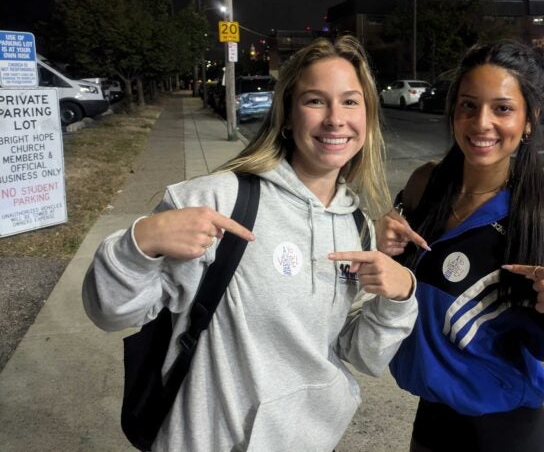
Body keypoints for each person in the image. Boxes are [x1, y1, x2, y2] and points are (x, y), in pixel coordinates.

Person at [82, 35, 417, 452]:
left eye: (350, 102)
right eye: (315, 101)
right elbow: (110, 312)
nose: (335, 119)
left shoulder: (358, 227)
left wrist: (400, 298)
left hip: (311, 439)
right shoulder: (219, 200)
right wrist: (139, 243)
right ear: (289, 115)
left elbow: (362, 355)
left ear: (367, 117)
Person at [376, 39, 544, 452]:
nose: (481, 123)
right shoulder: (424, 187)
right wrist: (383, 241)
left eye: (502, 108)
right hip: (430, 420)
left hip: (503, 435)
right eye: (468, 105)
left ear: (530, 120)